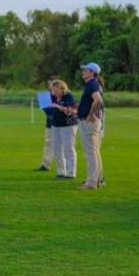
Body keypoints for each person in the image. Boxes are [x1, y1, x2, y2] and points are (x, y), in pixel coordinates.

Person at [76, 62, 105, 190]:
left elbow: (98, 100)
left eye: (85, 70)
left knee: (91, 154)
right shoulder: (95, 84)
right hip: (94, 122)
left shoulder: (91, 84)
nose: (83, 72)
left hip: (88, 123)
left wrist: (90, 114)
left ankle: (91, 183)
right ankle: (97, 180)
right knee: (95, 153)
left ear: (92, 73)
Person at [48, 80, 78, 179]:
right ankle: (61, 171)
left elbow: (72, 111)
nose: (54, 93)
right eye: (53, 91)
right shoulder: (52, 97)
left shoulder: (69, 97)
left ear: (62, 89)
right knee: (56, 149)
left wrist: (59, 106)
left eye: (56, 90)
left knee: (68, 148)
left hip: (67, 125)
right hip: (55, 124)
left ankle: (71, 173)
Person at [35, 76, 57, 171]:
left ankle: (66, 168)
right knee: (48, 142)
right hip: (50, 122)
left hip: (61, 123)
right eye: (49, 84)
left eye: (53, 84)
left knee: (63, 145)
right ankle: (45, 164)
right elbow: (47, 110)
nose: (51, 86)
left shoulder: (62, 95)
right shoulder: (46, 95)